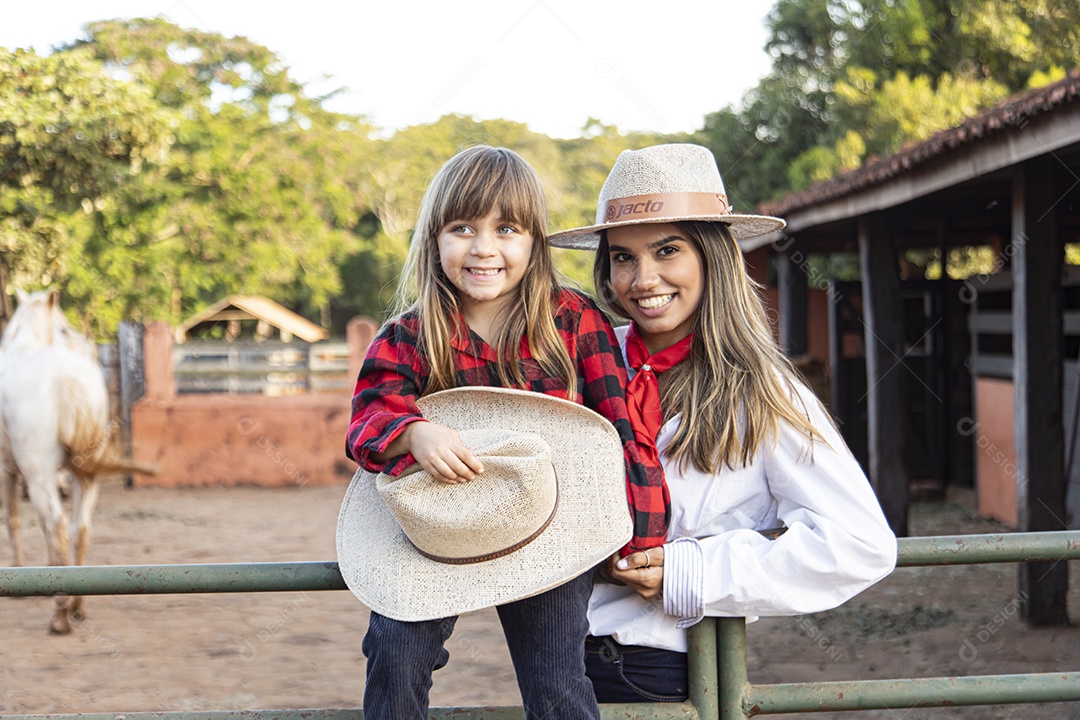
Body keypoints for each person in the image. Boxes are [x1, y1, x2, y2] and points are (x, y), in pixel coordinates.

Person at [549, 143, 898, 703]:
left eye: (668, 250)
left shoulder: (762, 393)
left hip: (660, 671)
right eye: (623, 257)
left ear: (712, 256)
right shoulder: (573, 368)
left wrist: (691, 571)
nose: (643, 278)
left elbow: (860, 545)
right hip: (549, 664)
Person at [340, 145, 670, 720]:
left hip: (547, 526)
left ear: (534, 241)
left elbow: (623, 430)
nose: (484, 248)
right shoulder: (407, 336)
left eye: (508, 228)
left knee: (558, 683)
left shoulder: (573, 319)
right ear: (434, 239)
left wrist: (642, 537)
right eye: (462, 227)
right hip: (438, 531)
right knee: (393, 652)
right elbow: (369, 418)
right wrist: (413, 433)